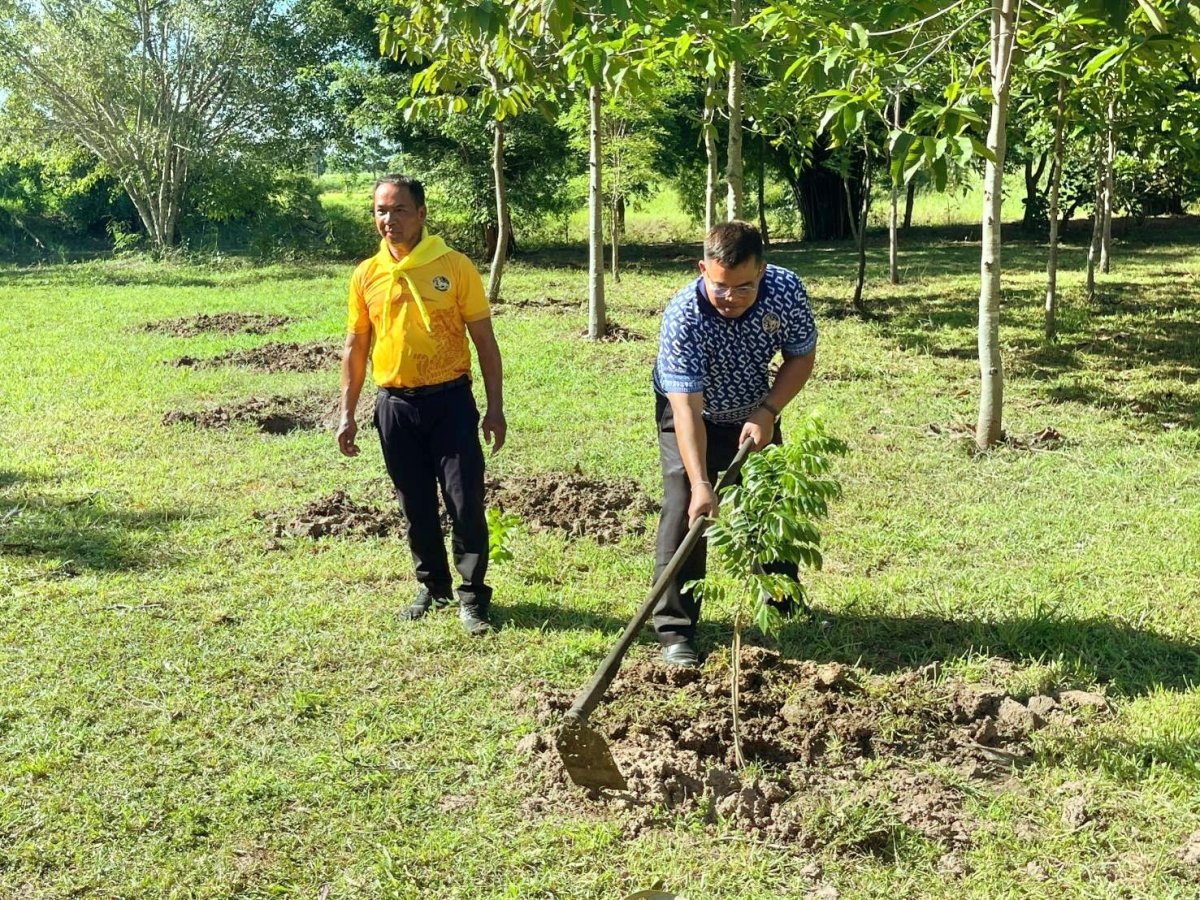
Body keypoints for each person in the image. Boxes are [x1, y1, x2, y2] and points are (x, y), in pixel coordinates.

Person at [336, 174, 506, 635]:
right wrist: (347, 413)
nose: (388, 220)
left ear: (422, 214)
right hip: (393, 405)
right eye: (380, 211)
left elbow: (484, 341)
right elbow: (356, 346)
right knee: (414, 503)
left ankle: (473, 597)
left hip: (449, 401)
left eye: (399, 210)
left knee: (464, 499)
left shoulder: (454, 266)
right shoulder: (366, 275)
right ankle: (433, 586)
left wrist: (495, 406)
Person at [652, 220, 817, 666]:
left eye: (743, 286)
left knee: (768, 498)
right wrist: (703, 481)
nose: (731, 298)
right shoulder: (683, 315)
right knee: (685, 503)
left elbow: (801, 355)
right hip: (693, 411)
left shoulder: (785, 291)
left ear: (762, 271)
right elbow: (685, 410)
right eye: (720, 286)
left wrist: (767, 411)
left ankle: (783, 600)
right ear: (702, 268)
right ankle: (675, 629)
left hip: (755, 405)